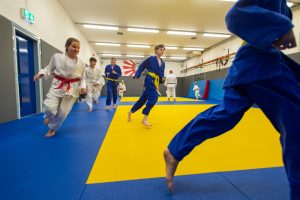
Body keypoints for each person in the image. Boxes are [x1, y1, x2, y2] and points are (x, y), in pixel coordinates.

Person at [163, 1, 300, 199]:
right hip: (262, 65)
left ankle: (175, 149)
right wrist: (282, 26)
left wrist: (282, 25)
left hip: (248, 65)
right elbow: (235, 15)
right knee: (297, 125)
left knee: (224, 115)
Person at [33, 37, 87, 137]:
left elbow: (82, 78)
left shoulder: (82, 64)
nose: (76, 49)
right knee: (49, 108)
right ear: (66, 46)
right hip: (57, 85)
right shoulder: (57, 57)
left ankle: (52, 128)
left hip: (72, 89)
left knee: (62, 113)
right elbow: (48, 69)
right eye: (73, 46)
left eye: (78, 48)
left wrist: (83, 87)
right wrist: (41, 74)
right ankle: (49, 116)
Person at [128, 44, 166, 126]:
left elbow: (161, 74)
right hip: (149, 79)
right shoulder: (150, 59)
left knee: (143, 99)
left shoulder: (163, 63)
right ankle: (145, 119)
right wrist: (137, 75)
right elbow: (142, 66)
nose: (162, 51)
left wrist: (162, 79)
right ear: (155, 51)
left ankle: (130, 111)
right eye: (160, 49)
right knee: (154, 97)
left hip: (155, 81)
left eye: (163, 50)